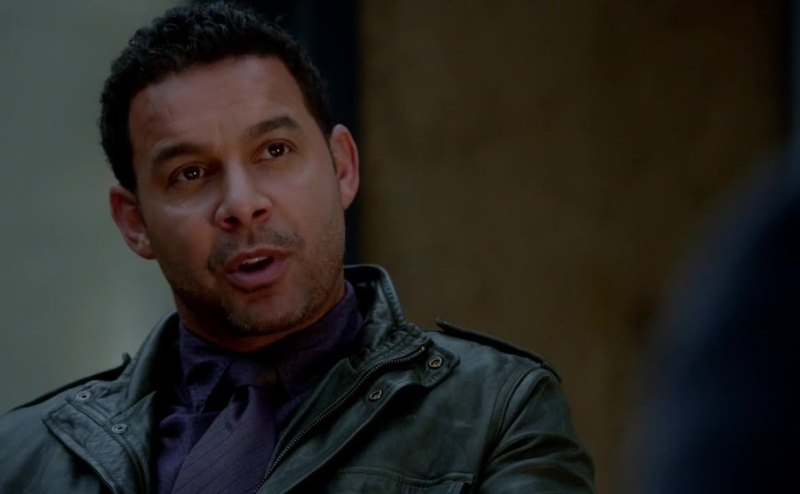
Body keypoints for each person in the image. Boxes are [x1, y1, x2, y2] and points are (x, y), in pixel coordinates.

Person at [0, 3, 594, 493]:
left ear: (342, 168)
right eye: (190, 173)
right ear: (135, 223)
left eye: (274, 152)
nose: (242, 204)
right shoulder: (24, 459)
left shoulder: (495, 412)